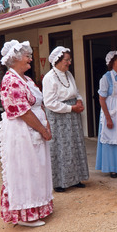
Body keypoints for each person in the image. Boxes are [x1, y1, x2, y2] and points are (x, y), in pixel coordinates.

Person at [0, 40, 53, 227]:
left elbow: (39, 105)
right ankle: (24, 214)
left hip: (35, 130)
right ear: (14, 59)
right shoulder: (10, 80)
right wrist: (42, 129)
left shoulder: (27, 79)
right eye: (26, 56)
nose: (30, 58)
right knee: (25, 169)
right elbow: (23, 112)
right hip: (22, 132)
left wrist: (47, 126)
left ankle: (38, 207)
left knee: (37, 168)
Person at [43, 46, 89, 192]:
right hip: (59, 117)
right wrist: (70, 108)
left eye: (69, 60)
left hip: (73, 115)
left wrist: (79, 101)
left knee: (75, 146)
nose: (69, 63)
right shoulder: (49, 78)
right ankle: (60, 182)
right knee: (61, 148)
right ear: (57, 60)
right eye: (66, 60)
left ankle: (75, 178)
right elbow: (49, 103)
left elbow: (76, 93)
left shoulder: (69, 74)